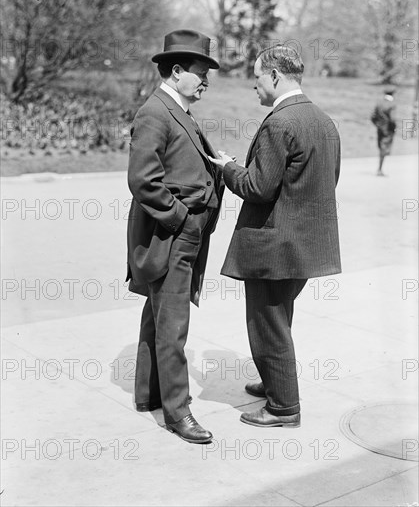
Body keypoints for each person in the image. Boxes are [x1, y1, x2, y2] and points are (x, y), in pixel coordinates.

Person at [209, 44, 341, 428]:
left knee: (268, 324)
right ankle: (273, 383)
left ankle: (283, 407)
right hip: (305, 247)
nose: (255, 88)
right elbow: (327, 180)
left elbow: (258, 187)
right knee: (279, 318)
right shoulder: (323, 120)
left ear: (274, 76)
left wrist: (228, 167)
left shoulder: (279, 123)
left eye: (256, 79)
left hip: (275, 247)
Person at [126, 30, 224, 444]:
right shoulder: (155, 112)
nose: (206, 81)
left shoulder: (175, 108)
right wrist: (182, 218)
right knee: (173, 325)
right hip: (172, 234)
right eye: (201, 73)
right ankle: (178, 412)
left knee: (158, 315)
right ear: (178, 70)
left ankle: (148, 394)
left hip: (178, 233)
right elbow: (143, 181)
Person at [371, 86, 397, 176]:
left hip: (380, 128)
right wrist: (394, 127)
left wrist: (377, 125)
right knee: (384, 149)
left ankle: (380, 168)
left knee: (381, 147)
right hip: (388, 129)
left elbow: (373, 116)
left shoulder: (379, 103)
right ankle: (380, 169)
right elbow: (393, 119)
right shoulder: (392, 104)